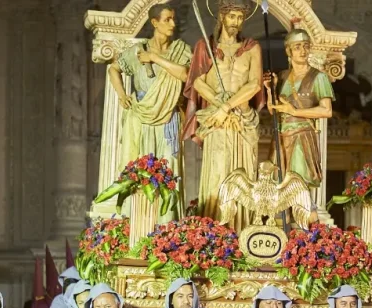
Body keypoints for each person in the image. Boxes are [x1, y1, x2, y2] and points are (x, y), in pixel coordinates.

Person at [184, 0, 265, 232]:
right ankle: (214, 232)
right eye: (232, 17)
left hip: (241, 118)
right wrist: (218, 104)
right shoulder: (205, 46)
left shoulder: (252, 48)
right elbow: (197, 81)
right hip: (217, 120)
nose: (236, 22)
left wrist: (227, 106)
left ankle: (243, 230)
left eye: (240, 18)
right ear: (221, 16)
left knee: (243, 173)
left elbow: (254, 84)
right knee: (217, 171)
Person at [108, 4, 191, 222]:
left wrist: (155, 58)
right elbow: (113, 69)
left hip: (167, 118)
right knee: (139, 170)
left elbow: (184, 74)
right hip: (141, 117)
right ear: (154, 23)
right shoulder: (137, 51)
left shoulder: (180, 50)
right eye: (167, 20)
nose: (173, 24)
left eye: (173, 19)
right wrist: (121, 94)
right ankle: (137, 224)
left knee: (168, 171)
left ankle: (166, 227)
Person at [263, 25, 333, 205]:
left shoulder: (318, 77)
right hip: (281, 137)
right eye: (297, 47)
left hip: (302, 137)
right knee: (279, 188)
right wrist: (270, 90)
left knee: (299, 186)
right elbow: (274, 110)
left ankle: (304, 230)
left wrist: (295, 111)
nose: (302, 50)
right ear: (289, 51)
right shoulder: (283, 76)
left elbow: (326, 110)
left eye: (305, 45)